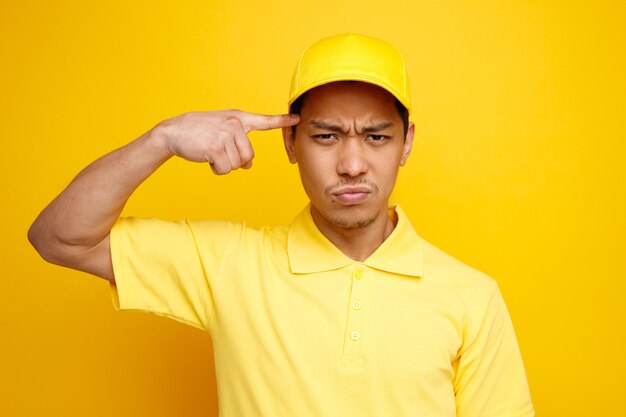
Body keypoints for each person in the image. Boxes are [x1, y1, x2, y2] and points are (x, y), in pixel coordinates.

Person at [28, 33, 534, 417]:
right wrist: (161, 139)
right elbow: (58, 237)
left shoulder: (471, 296)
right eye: (326, 136)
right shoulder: (230, 264)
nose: (353, 164)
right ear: (290, 145)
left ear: (407, 143)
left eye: (377, 137)